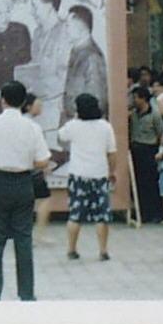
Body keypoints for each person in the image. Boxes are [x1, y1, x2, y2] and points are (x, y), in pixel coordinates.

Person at [0, 80, 50, 301]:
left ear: (2, 100)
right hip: (23, 183)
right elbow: (43, 161)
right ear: (24, 102)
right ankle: (26, 293)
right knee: (23, 239)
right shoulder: (32, 127)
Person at [58, 94, 118, 262]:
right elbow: (112, 153)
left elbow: (61, 136)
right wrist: (112, 171)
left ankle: (71, 249)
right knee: (102, 215)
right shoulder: (105, 126)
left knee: (75, 214)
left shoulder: (73, 126)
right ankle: (103, 250)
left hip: (78, 174)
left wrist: (70, 118)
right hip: (99, 174)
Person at [27, 0, 72, 140]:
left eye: (35, 6)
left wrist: (37, 87)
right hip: (36, 108)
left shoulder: (66, 32)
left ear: (49, 6)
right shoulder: (37, 33)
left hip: (56, 108)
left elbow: (64, 75)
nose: (33, 12)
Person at [62, 5, 108, 122]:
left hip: (85, 123)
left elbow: (97, 99)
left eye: (68, 25)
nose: (65, 30)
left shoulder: (92, 57)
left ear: (81, 28)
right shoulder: (76, 51)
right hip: (74, 121)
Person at [129, 86, 163, 223]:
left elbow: (161, 134)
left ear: (143, 98)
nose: (134, 100)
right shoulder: (133, 114)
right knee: (138, 182)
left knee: (150, 183)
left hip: (149, 150)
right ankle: (141, 211)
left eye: (136, 97)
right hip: (136, 149)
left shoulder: (154, 115)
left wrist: (161, 151)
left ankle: (154, 213)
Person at [22, 93, 55, 245]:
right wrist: (44, 165)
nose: (41, 107)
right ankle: (39, 234)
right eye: (38, 104)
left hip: (20, 170)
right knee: (43, 200)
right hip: (33, 170)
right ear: (28, 106)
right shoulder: (33, 127)